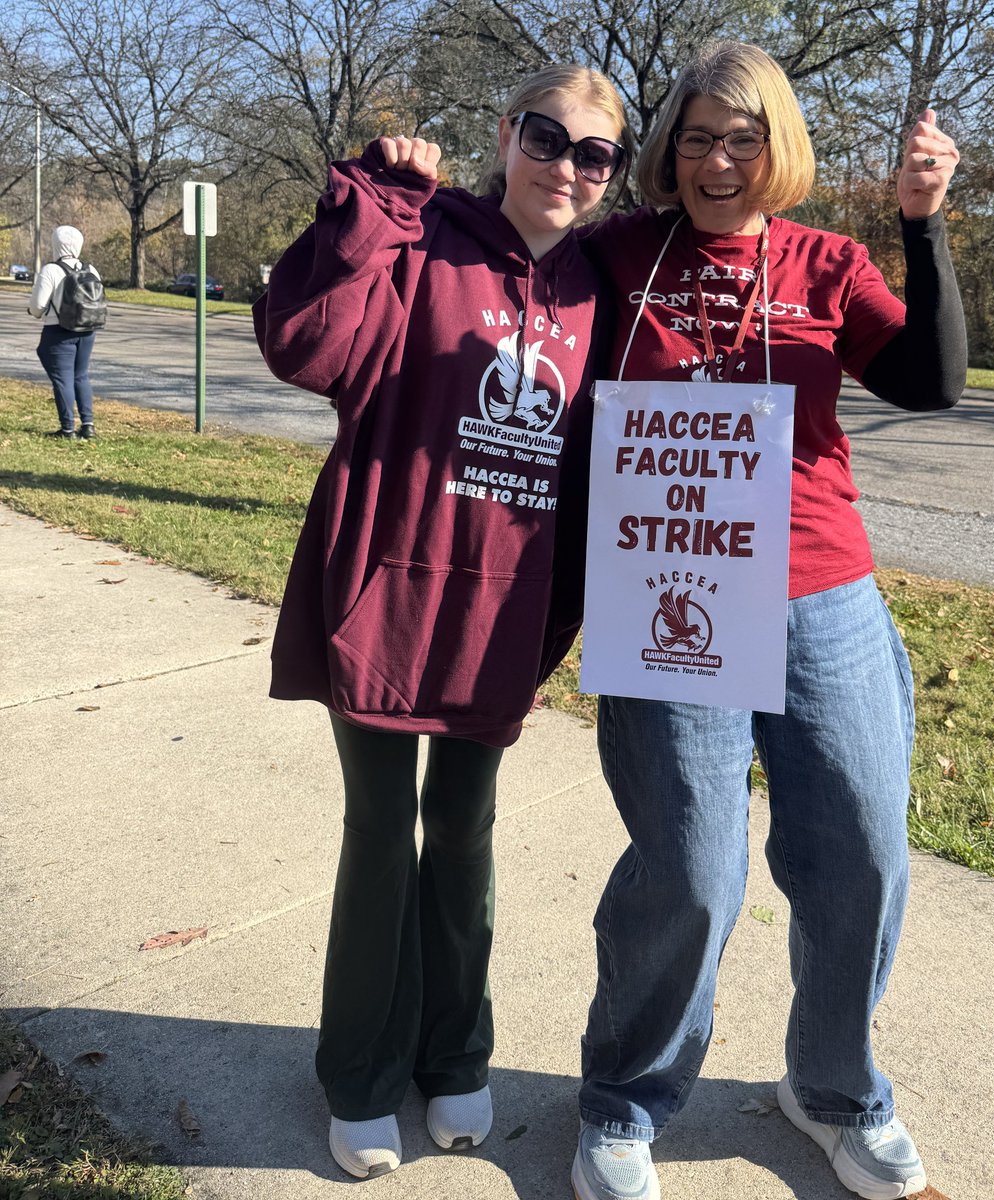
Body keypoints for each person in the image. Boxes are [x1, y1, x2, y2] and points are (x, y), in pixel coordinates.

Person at [571, 42, 966, 1200]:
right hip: (666, 587)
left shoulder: (827, 262)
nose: (718, 160)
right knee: (691, 869)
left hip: (820, 591)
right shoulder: (617, 255)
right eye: (696, 137)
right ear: (669, 150)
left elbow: (933, 385)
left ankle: (834, 1091)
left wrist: (924, 220)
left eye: (743, 137)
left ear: (777, 146)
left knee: (861, 856)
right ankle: (623, 1102)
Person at [253, 65, 630, 1181]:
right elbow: (304, 345)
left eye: (594, 153)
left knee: (464, 833)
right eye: (546, 137)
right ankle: (361, 1075)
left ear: (611, 175)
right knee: (381, 831)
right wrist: (370, 203)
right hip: (386, 590)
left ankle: (454, 1052)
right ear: (507, 134)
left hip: (498, 613)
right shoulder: (421, 239)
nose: (566, 165)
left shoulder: (596, 290)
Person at [28, 225, 99, 439]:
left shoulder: (51, 270)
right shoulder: (91, 269)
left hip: (58, 331)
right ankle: (88, 425)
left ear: (56, 245)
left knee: (62, 379)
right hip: (88, 330)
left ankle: (67, 429)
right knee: (81, 376)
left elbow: (38, 306)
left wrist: (35, 312)